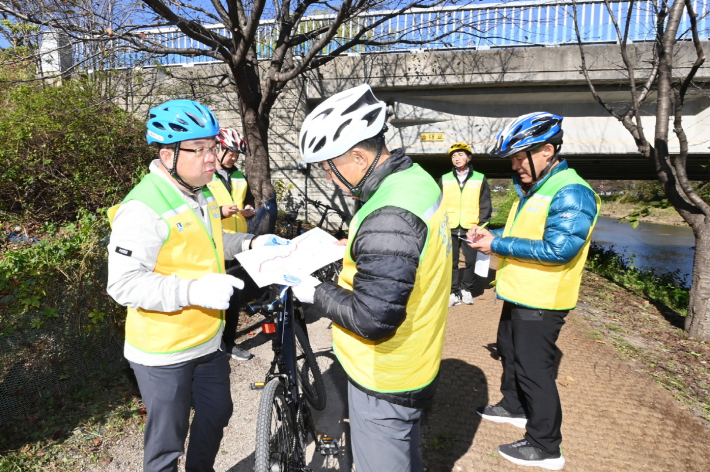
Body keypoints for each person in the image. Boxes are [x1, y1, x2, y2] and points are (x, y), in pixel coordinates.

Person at [106, 99, 288, 472]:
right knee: (166, 445)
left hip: (207, 339)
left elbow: (212, 240)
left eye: (213, 146)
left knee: (217, 414)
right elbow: (123, 284)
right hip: (163, 350)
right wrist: (191, 291)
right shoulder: (142, 208)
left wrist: (252, 242)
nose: (211, 157)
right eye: (200, 149)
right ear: (167, 153)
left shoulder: (199, 192)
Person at [292, 84, 452, 472]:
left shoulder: (389, 215)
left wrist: (315, 291)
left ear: (358, 156)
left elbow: (373, 320)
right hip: (416, 357)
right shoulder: (413, 181)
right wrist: (356, 245)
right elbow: (403, 250)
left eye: (329, 167)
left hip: (385, 373)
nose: (329, 178)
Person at [466, 112, 600, 471]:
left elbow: (560, 249)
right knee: (510, 352)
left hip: (543, 298)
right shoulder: (535, 188)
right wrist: (491, 236)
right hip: (520, 291)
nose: (514, 164)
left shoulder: (571, 191)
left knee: (534, 371)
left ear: (546, 150)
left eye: (518, 156)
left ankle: (545, 445)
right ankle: (514, 406)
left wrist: (499, 245)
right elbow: (529, 232)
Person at [206, 127, 256, 361]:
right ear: (218, 149)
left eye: (237, 154)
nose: (235, 158)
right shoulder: (204, 177)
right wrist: (221, 212)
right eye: (231, 152)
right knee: (214, 297)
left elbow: (247, 201)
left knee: (234, 297)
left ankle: (228, 343)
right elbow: (198, 210)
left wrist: (249, 211)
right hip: (215, 244)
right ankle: (210, 343)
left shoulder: (238, 176)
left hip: (238, 245)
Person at [440, 142, 491, 306]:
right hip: (450, 227)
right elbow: (439, 203)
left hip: (472, 228)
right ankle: (453, 291)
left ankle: (466, 289)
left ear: (469, 157)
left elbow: (485, 204)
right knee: (452, 262)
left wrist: (482, 225)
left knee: (471, 261)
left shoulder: (480, 178)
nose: (457, 158)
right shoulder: (445, 178)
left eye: (461, 155)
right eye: (454, 156)